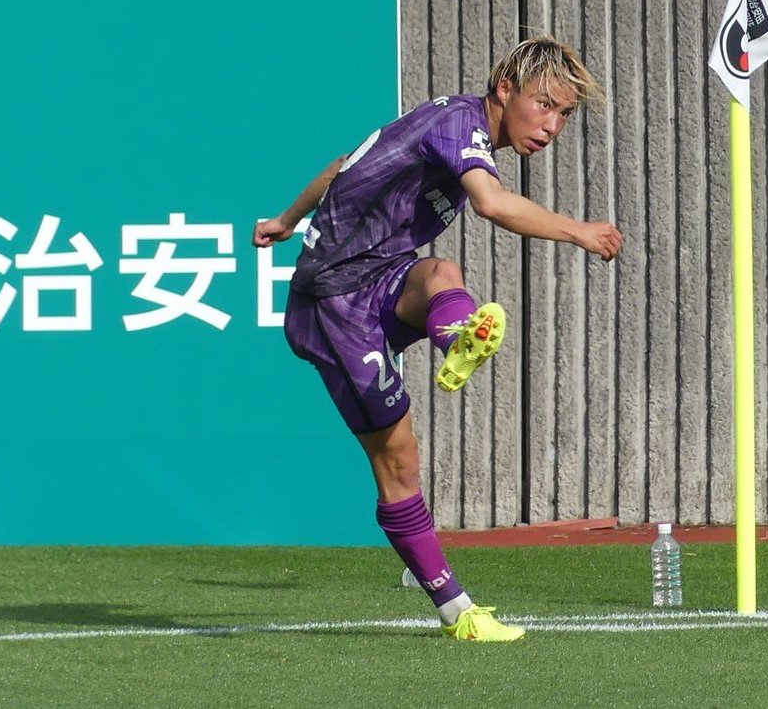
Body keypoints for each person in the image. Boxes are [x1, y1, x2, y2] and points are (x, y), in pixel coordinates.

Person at [252, 36, 622, 642]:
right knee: (398, 462)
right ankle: (457, 611)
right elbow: (493, 205)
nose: (552, 126)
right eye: (545, 104)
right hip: (335, 307)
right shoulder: (460, 125)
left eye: (563, 115)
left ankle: (459, 341)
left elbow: (343, 165)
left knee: (442, 273)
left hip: (380, 277)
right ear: (505, 88)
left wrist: (287, 220)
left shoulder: (444, 118)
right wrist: (580, 231)